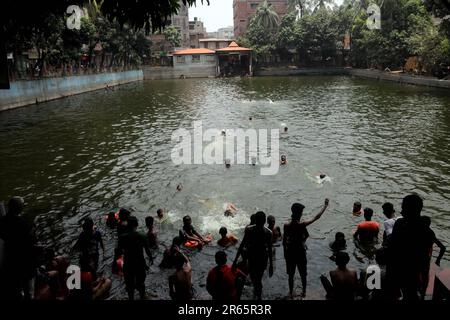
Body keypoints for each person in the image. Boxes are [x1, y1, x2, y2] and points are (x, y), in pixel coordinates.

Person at [388, 194, 436, 300]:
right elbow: (425, 263)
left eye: (403, 208)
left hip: (398, 272)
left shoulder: (400, 224)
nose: (401, 212)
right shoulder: (427, 232)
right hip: (413, 275)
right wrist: (424, 288)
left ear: (410, 210)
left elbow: (392, 252)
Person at [283, 198, 329, 298]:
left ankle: (291, 292)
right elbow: (317, 217)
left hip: (290, 252)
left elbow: (284, 242)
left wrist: (285, 254)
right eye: (301, 212)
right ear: (299, 213)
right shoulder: (301, 225)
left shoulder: (286, 225)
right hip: (300, 252)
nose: (302, 214)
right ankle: (304, 292)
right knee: (303, 273)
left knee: (291, 274)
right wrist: (325, 206)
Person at [0, 196, 35, 299]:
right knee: (29, 292)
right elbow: (30, 242)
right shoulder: (23, 223)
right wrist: (32, 231)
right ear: (20, 208)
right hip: (24, 263)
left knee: (17, 290)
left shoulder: (2, 222)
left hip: (11, 262)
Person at [233, 211, 273, 300]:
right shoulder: (266, 232)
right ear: (264, 221)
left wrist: (271, 265)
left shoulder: (253, 230)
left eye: (260, 222)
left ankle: (258, 294)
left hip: (257, 258)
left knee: (257, 279)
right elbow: (242, 245)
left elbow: (242, 245)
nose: (259, 223)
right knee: (255, 278)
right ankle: (257, 293)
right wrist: (271, 265)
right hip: (256, 258)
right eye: (259, 221)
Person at [117, 216, 153, 300]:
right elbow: (147, 251)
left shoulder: (122, 237)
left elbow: (119, 250)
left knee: (129, 284)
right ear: (136, 225)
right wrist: (151, 258)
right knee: (141, 282)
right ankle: (142, 295)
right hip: (140, 263)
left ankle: (131, 297)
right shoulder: (142, 236)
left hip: (128, 263)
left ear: (127, 225)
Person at [419, 216, 446, 298]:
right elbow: (443, 247)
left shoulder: (418, 232)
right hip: (426, 258)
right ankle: (423, 294)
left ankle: (421, 293)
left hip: (418, 258)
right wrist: (438, 260)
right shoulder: (430, 233)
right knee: (424, 277)